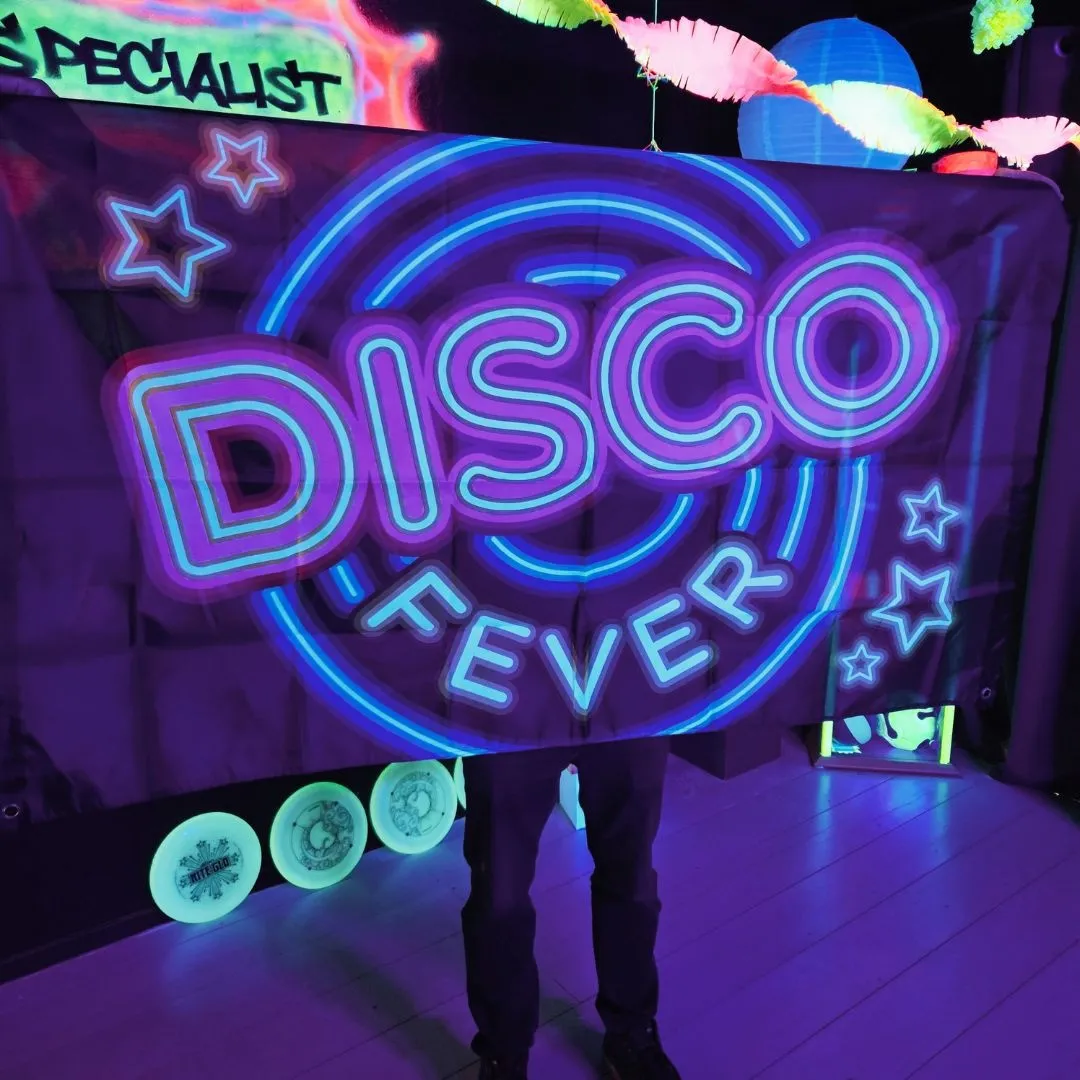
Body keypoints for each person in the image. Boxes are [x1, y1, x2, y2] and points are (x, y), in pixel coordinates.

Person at [461, 736, 681, 1080]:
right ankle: (504, 1049)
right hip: (511, 716)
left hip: (626, 710)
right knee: (499, 894)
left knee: (632, 878)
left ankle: (631, 1032)